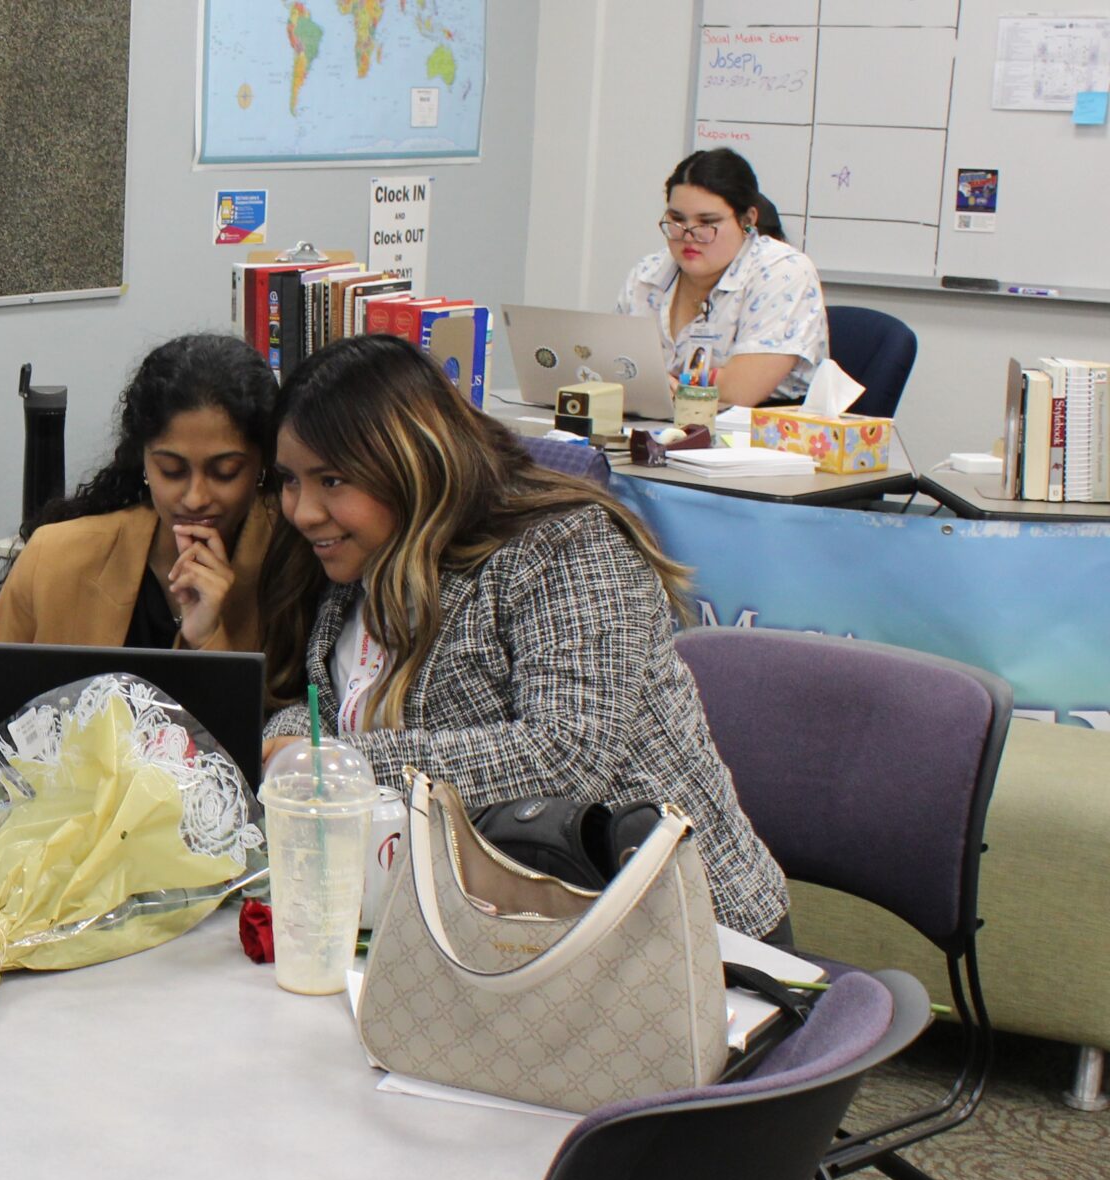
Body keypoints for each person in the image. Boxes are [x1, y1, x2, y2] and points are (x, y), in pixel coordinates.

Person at [254, 335, 790, 942]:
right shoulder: (356, 567)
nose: (302, 511)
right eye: (290, 481)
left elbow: (563, 758)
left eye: (331, 480)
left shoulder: (567, 548)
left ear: (410, 461)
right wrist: (289, 740)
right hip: (487, 932)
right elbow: (317, 704)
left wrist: (332, 765)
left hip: (678, 938)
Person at [0, 332, 278, 653]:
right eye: (171, 470)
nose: (195, 498)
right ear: (143, 461)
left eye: (225, 472)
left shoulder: (290, 568)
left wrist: (208, 638)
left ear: (263, 465)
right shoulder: (56, 559)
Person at [614, 146, 827, 408]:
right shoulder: (647, 274)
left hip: (756, 432)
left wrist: (661, 385)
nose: (688, 234)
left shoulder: (784, 271)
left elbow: (741, 390)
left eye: (706, 222)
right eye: (676, 220)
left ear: (747, 220)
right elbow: (615, 369)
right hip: (657, 424)